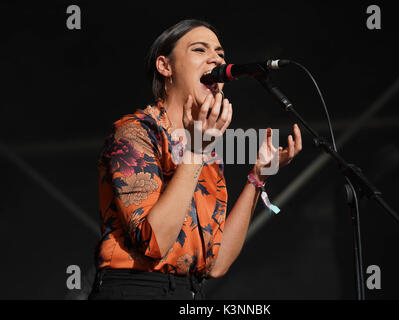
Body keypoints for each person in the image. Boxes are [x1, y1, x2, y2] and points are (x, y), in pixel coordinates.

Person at [88, 19, 302, 300]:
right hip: (135, 289)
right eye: (200, 50)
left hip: (188, 293)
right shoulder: (135, 132)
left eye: (220, 54)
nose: (215, 58)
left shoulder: (206, 147)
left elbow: (217, 264)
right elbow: (154, 243)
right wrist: (197, 151)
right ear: (166, 66)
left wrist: (258, 177)